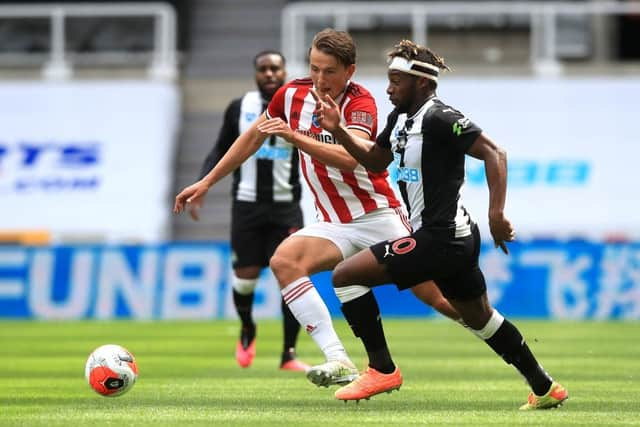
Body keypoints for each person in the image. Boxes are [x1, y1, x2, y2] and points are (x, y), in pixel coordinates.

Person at [175, 29, 460, 388]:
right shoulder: (290, 95)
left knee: (436, 297)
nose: (320, 79)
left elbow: (351, 161)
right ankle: (338, 359)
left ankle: (500, 337)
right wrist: (206, 182)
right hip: (334, 224)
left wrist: (296, 138)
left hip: (378, 216)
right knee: (285, 261)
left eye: (329, 71)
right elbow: (253, 136)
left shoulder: (362, 103)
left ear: (349, 71)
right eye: (314, 69)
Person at [308, 39, 569, 410]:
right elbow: (376, 161)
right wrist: (338, 131)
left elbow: (495, 153)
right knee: (479, 318)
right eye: (389, 79)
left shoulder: (441, 117)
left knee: (345, 276)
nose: (389, 88)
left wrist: (497, 213)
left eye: (397, 80)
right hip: (451, 240)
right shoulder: (401, 120)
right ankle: (544, 386)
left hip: (441, 237)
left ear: (423, 83)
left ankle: (382, 369)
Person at [188, 50, 308, 371]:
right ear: (256, 74)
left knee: (293, 279)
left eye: (275, 69)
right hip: (246, 205)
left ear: (285, 73)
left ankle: (289, 353)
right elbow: (220, 148)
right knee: (245, 279)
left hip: (287, 208)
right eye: (263, 69)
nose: (269, 74)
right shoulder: (239, 108)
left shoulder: (300, 108)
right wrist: (202, 184)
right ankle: (247, 326)